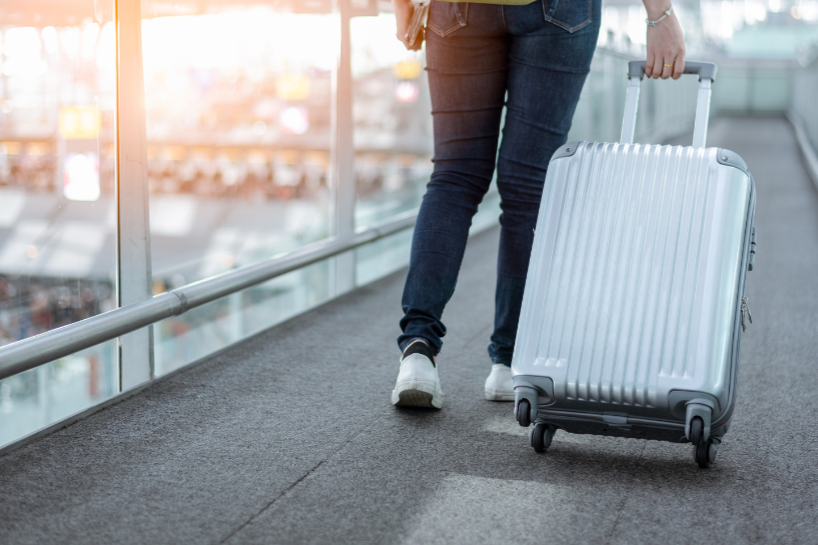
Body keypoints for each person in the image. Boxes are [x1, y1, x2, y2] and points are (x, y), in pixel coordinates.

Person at [390, 0, 686, 409]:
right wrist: (661, 15)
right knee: (528, 186)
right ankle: (509, 362)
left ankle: (418, 352)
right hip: (560, 11)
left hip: (457, 8)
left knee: (454, 176)